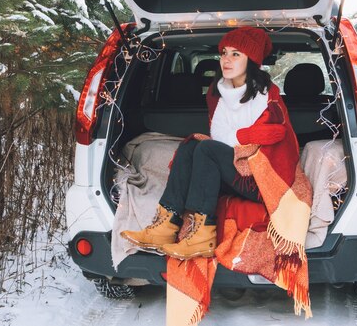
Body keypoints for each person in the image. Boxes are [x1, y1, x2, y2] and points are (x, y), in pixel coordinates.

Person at [121, 26, 296, 260]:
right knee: (192, 143)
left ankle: (203, 235)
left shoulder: (268, 95)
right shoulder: (217, 93)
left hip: (263, 178)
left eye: (236, 54)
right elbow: (228, 136)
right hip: (237, 167)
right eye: (224, 52)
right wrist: (245, 136)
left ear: (251, 60)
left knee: (206, 147)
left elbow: (275, 135)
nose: (226, 59)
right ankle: (165, 225)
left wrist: (243, 137)